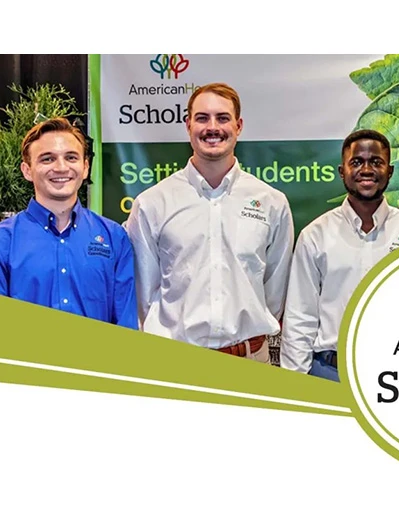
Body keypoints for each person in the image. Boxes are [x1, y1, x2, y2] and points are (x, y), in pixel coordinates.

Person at [124, 83, 294, 363]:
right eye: (202, 118)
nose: (212, 127)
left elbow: (275, 294)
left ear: (238, 126)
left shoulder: (271, 202)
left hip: (250, 362)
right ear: (188, 125)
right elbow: (144, 296)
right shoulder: (152, 203)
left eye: (223, 118)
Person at [281, 129, 399, 381]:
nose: (367, 170)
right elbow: (300, 318)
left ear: (390, 171)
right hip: (330, 373)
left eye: (376, 162)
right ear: (342, 172)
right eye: (357, 162)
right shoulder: (315, 236)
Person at [0, 117, 137, 329]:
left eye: (71, 157)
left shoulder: (114, 238)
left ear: (85, 167)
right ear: (27, 170)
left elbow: (126, 325)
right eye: (47, 159)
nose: (61, 167)